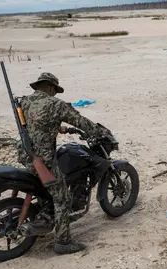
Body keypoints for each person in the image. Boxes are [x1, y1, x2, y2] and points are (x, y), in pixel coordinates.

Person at [17, 72, 107, 255]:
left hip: (25, 153)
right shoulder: (55, 104)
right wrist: (98, 132)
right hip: (44, 158)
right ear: (50, 87)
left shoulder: (25, 101)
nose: (55, 94)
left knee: (46, 188)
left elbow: (36, 122)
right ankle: (63, 242)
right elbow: (80, 120)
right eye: (55, 90)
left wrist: (60, 128)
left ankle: (44, 215)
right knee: (63, 198)